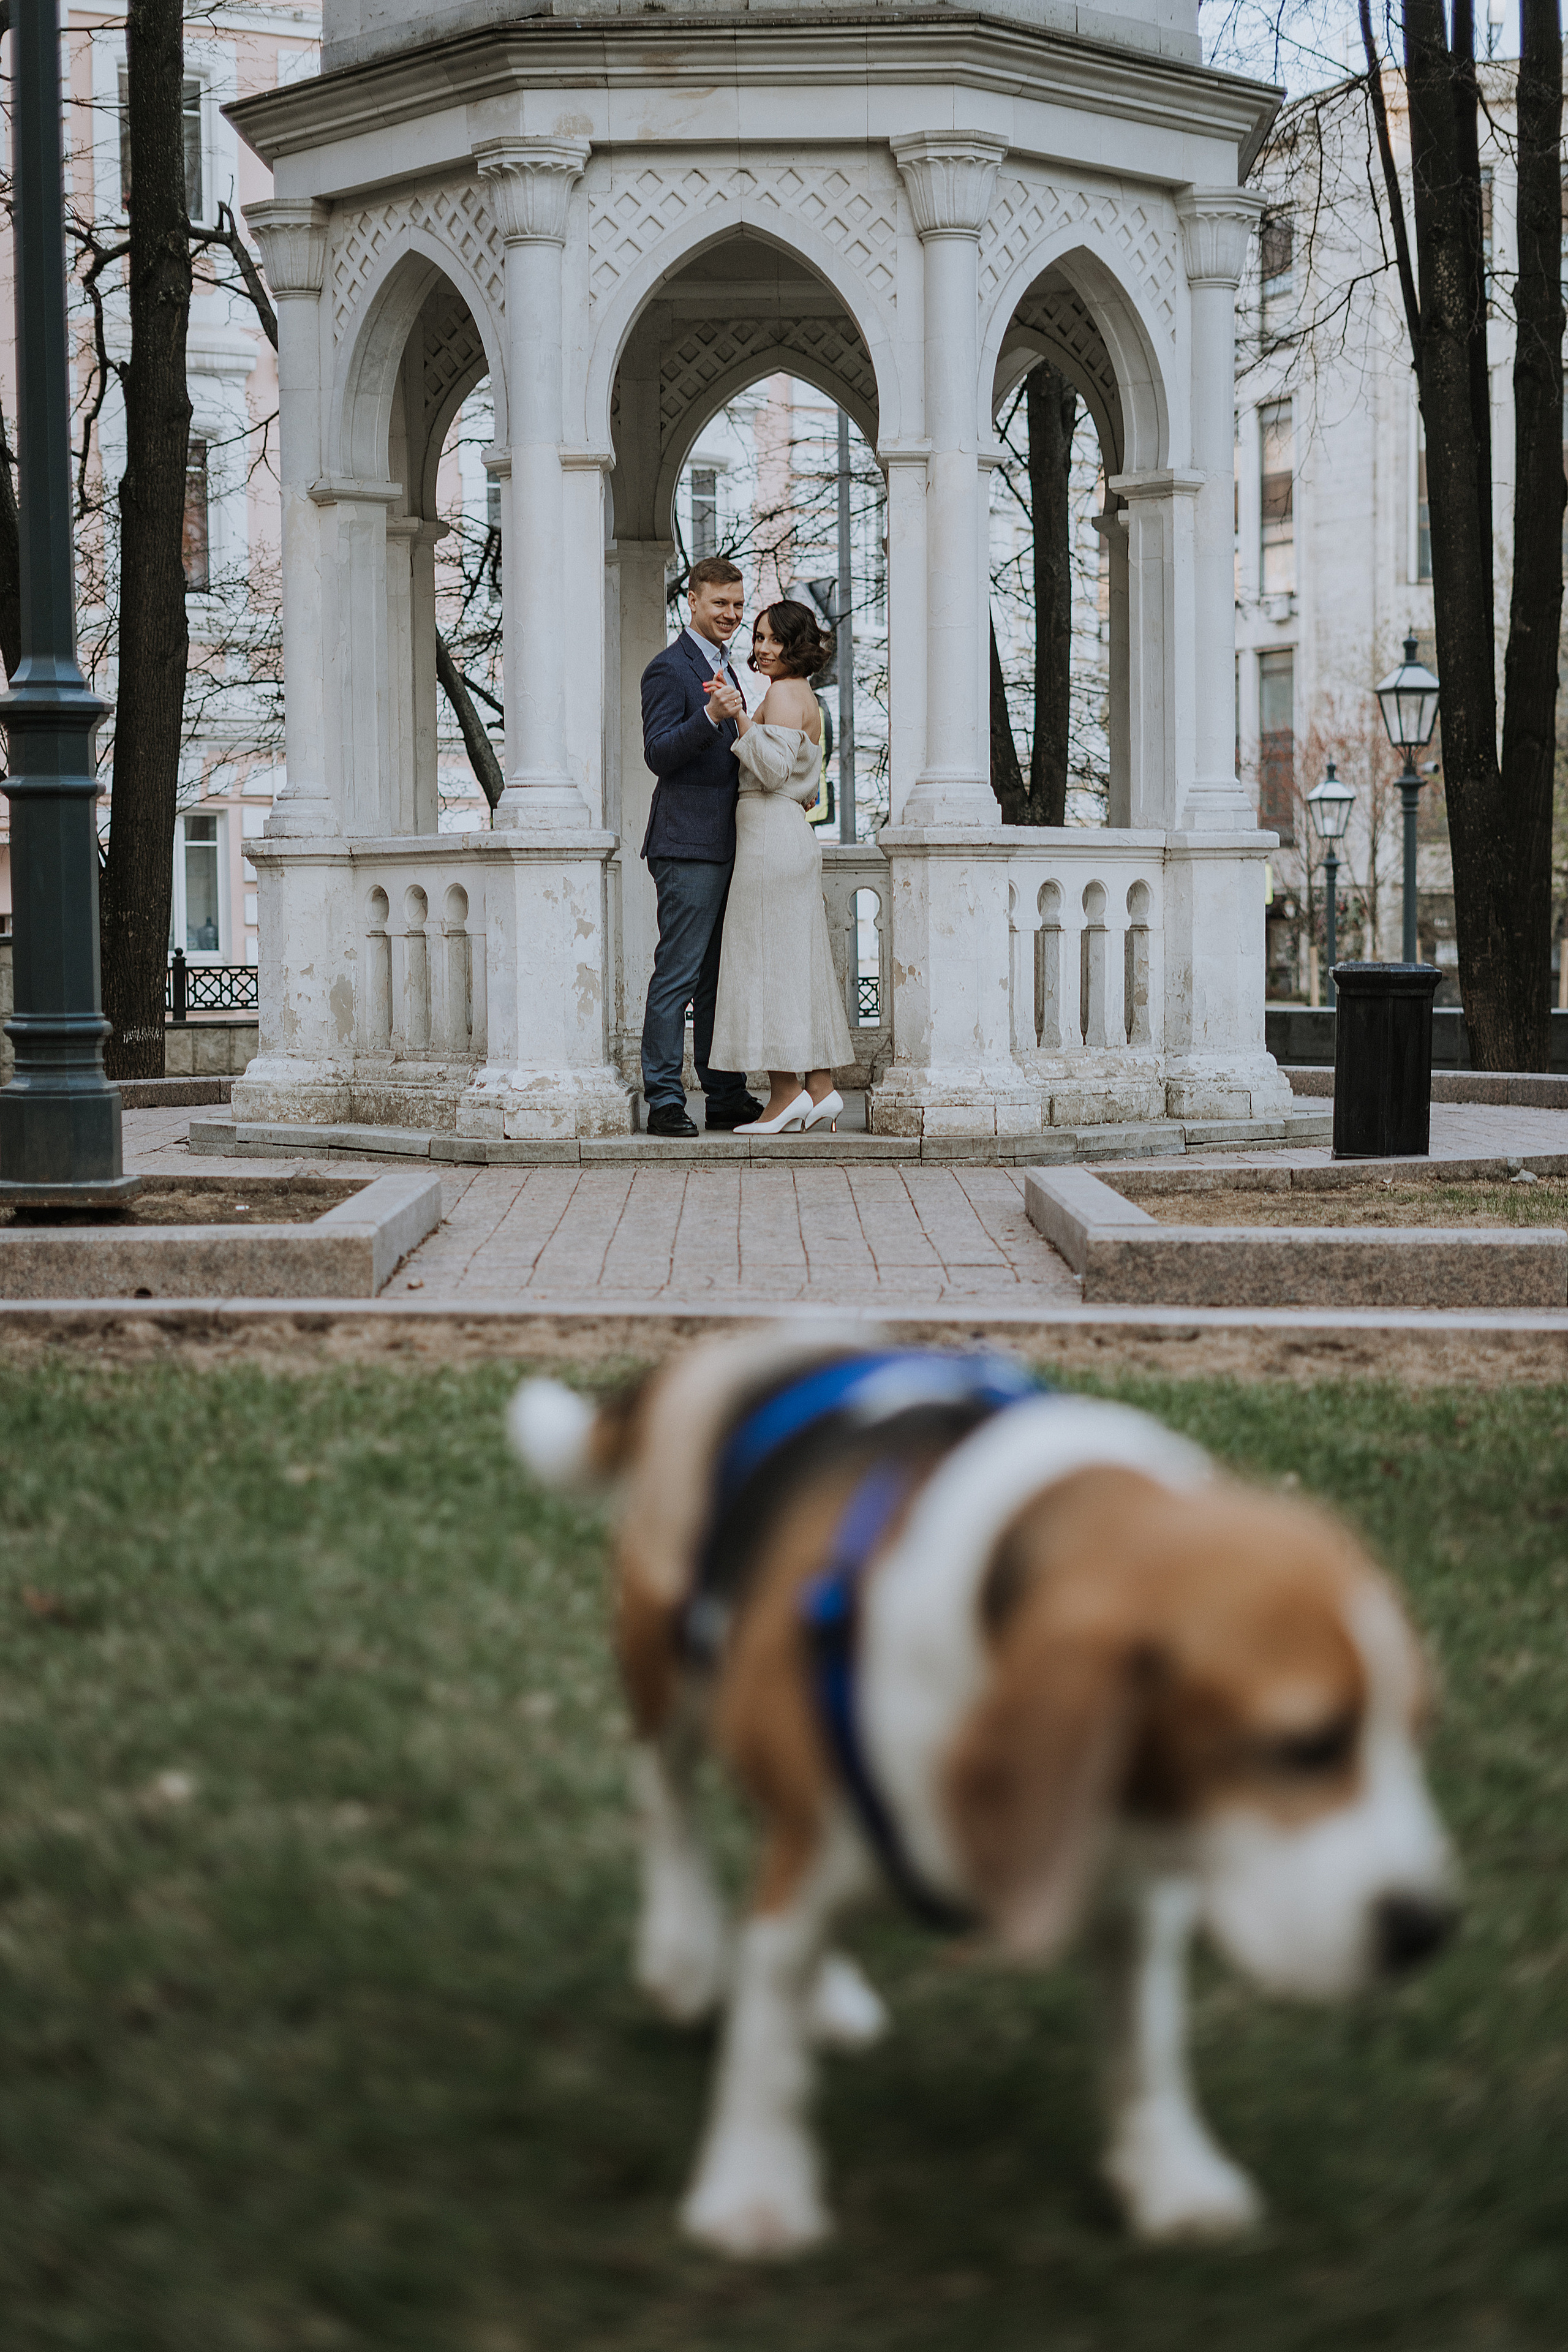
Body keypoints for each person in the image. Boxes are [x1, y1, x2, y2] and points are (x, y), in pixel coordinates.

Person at [707, 601, 854, 1133]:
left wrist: (737, 715)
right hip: (780, 833)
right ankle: (821, 1086)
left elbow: (771, 771)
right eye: (760, 638)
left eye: (775, 640)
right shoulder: (798, 693)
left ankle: (785, 1095)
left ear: (797, 646)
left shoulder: (786, 693)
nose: (763, 648)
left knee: (765, 964)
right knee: (794, 964)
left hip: (770, 838)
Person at [638, 558, 766, 1139]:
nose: (732, 615)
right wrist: (712, 716)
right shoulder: (669, 669)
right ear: (692, 601)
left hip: (728, 842)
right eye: (720, 604)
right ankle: (664, 1100)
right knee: (679, 976)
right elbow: (659, 754)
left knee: (718, 978)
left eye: (738, 605)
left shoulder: (727, 666)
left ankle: (725, 1095)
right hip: (686, 845)